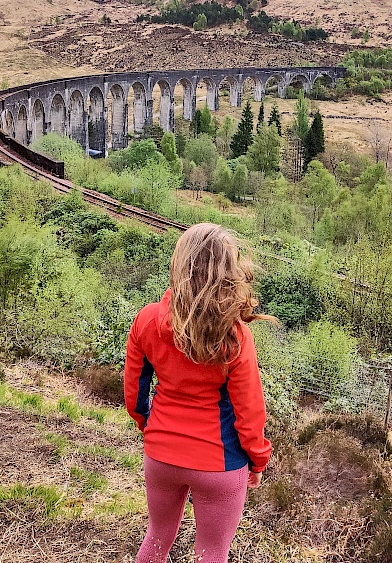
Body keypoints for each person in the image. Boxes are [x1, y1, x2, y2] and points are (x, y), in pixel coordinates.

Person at [124, 222, 273, 563]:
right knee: (212, 553)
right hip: (220, 465)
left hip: (161, 455)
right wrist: (258, 460)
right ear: (231, 275)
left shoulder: (147, 320)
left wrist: (149, 426)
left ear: (180, 266)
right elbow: (249, 411)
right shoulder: (234, 338)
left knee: (157, 539)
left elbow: (135, 391)